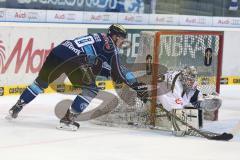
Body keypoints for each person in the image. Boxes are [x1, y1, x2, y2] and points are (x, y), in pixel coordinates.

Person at [6, 24, 148, 131]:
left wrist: (114, 76)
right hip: (74, 60)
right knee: (91, 89)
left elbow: (98, 68)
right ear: (116, 36)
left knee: (39, 83)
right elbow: (118, 72)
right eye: (122, 38)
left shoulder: (99, 37)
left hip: (59, 51)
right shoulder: (111, 47)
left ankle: (15, 108)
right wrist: (136, 85)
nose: (123, 42)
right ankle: (67, 120)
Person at [156, 66, 222, 118]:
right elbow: (175, 108)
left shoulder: (183, 78)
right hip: (155, 92)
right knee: (174, 108)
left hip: (162, 87)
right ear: (184, 77)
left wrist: (204, 98)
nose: (191, 81)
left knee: (186, 99)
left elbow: (193, 92)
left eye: (192, 79)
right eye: (189, 80)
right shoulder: (176, 85)